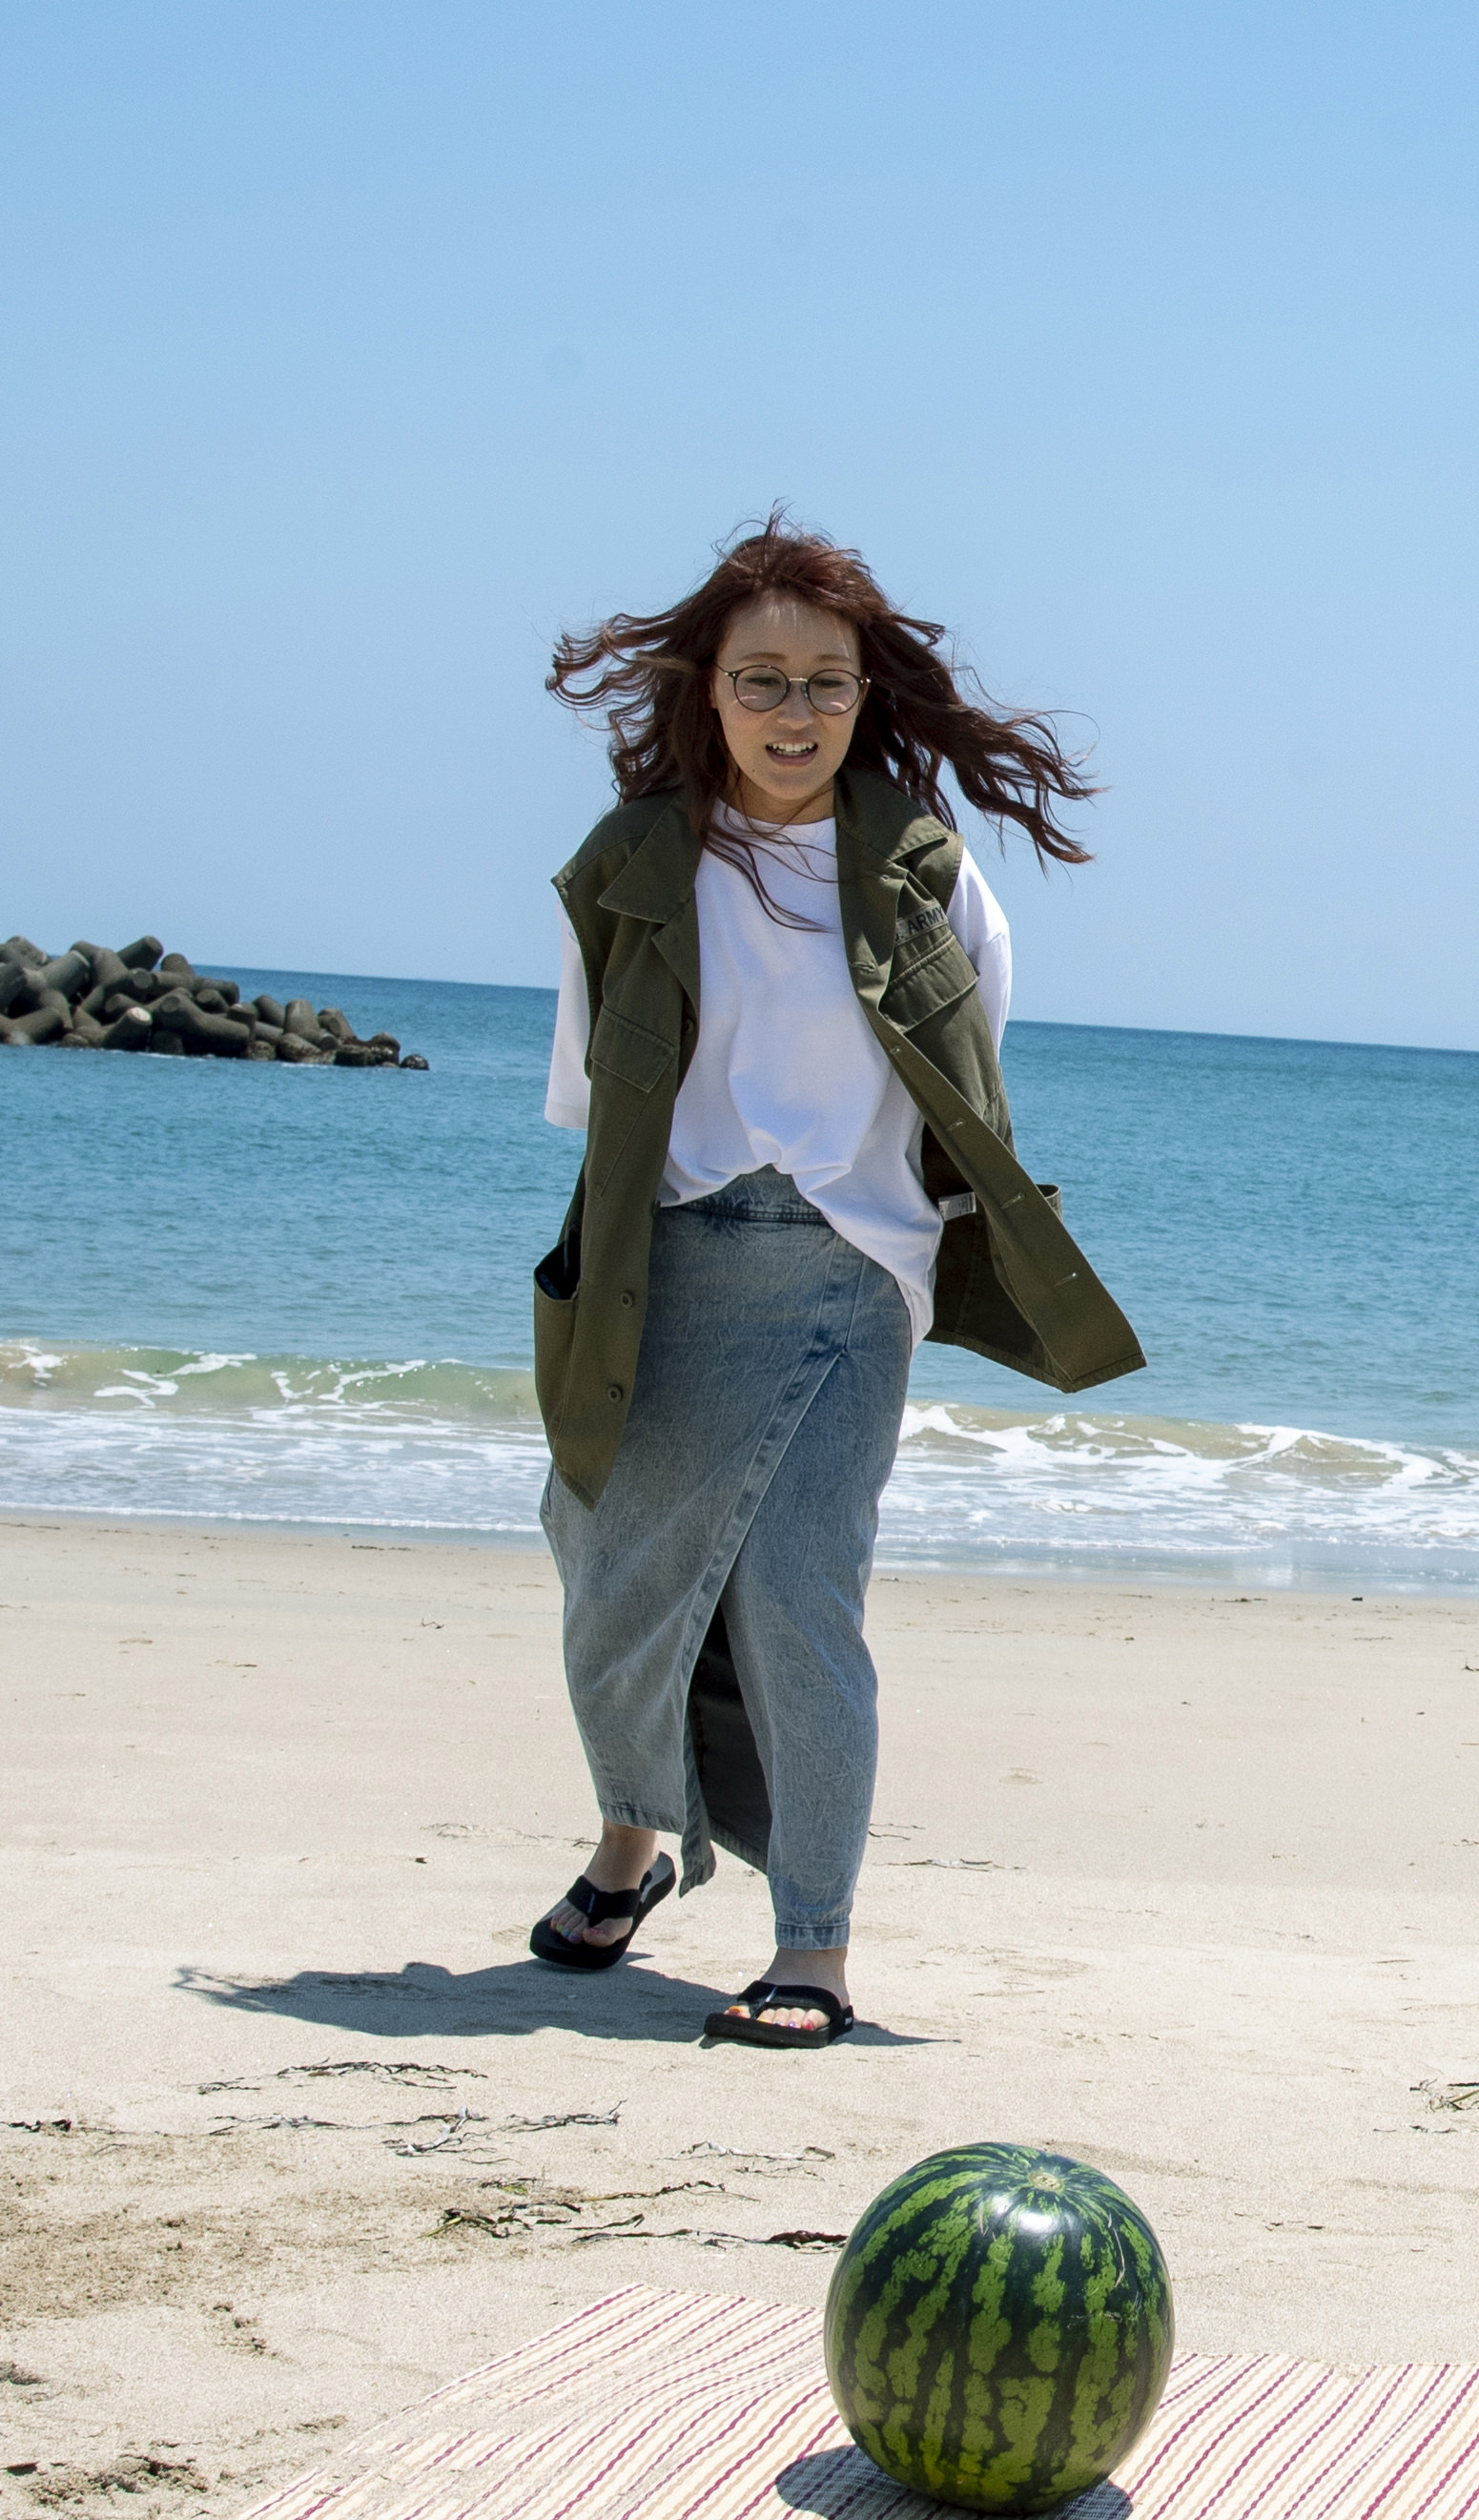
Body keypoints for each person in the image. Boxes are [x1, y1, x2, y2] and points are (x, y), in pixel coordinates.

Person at [516, 519, 1141, 2046]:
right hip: (663, 1267)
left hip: (850, 1270)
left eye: (827, 684)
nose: (794, 713)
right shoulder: (627, 869)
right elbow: (589, 1101)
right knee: (609, 1572)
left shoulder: (932, 877)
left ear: (869, 700)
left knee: (798, 1595)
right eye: (760, 680)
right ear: (706, 691)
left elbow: (971, 1081)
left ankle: (815, 1944)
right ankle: (633, 1838)